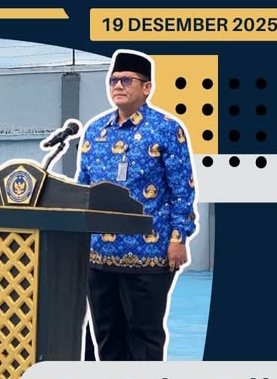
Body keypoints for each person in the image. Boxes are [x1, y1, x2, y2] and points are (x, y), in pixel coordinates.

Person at [74, 49, 198, 361]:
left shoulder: (166, 129)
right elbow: (81, 188)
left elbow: (182, 191)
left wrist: (178, 238)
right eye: (113, 79)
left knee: (143, 336)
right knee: (106, 335)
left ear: (147, 87)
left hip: (150, 254)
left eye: (126, 80)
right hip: (99, 255)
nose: (118, 85)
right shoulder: (95, 131)